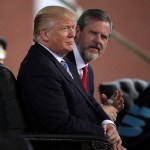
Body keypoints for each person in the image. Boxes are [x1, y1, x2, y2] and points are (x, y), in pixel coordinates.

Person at [17, 6, 126, 150]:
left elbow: (88, 101)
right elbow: (59, 123)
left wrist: (107, 123)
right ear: (45, 34)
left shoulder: (61, 62)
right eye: (65, 28)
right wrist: (105, 133)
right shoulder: (39, 67)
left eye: (72, 28)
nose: (72, 35)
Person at [65, 9, 124, 122]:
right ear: (78, 32)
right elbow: (65, 112)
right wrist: (101, 112)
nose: (98, 41)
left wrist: (108, 105)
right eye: (93, 33)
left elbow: (84, 110)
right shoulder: (60, 62)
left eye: (104, 37)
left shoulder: (88, 72)